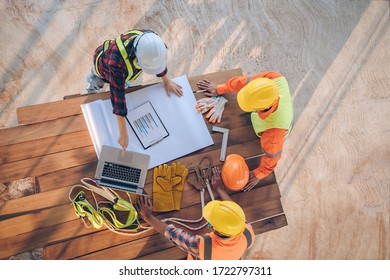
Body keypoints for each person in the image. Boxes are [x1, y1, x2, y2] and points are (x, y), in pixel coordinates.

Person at [85, 28, 183, 152]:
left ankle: (123, 80)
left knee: (123, 81)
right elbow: (117, 96)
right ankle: (90, 90)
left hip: (123, 71)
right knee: (95, 83)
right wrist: (123, 133)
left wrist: (166, 80)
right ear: (135, 56)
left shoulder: (151, 41)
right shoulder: (116, 62)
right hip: (102, 69)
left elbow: (156, 61)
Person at [196, 72, 293, 192]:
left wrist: (258, 174)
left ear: (261, 109)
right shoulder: (273, 78)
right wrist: (221, 88)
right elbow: (244, 81)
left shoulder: (273, 134)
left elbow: (273, 158)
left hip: (272, 127)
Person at [135, 166, 255, 260]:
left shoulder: (202, 247)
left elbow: (173, 234)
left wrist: (147, 216)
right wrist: (219, 189)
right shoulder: (247, 233)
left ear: (212, 228)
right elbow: (232, 213)